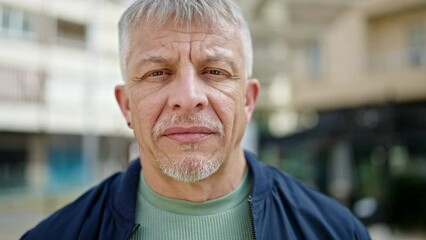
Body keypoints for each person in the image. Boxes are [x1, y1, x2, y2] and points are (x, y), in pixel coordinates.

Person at [22, 0, 371, 239]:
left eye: (215, 71)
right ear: (126, 105)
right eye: (158, 72)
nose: (188, 97)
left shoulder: (336, 231)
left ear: (248, 100)